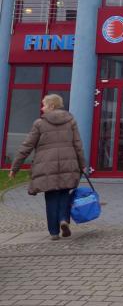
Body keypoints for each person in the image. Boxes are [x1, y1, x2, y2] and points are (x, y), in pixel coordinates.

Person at [8, 94, 87, 240]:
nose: (42, 108)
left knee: (51, 197)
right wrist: (82, 165)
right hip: (68, 164)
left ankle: (54, 232)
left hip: (46, 166)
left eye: (44, 105)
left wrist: (15, 167)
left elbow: (27, 146)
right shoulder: (71, 121)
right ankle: (63, 219)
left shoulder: (40, 123)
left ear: (51, 106)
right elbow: (78, 145)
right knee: (64, 193)